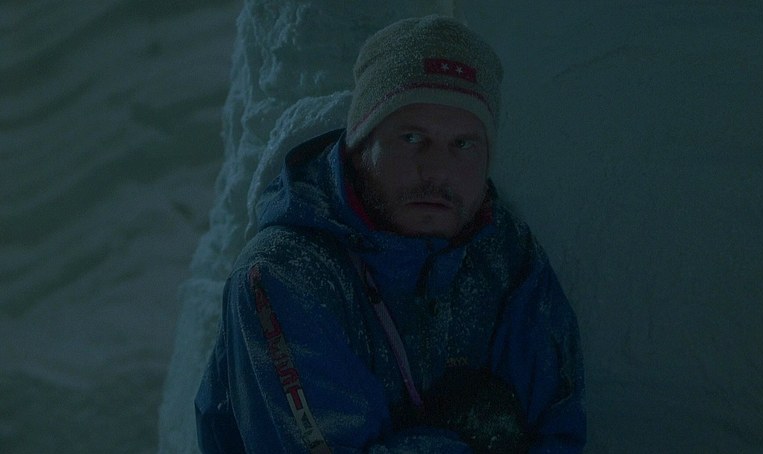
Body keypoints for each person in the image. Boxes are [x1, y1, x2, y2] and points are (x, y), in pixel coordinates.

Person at [195, 15, 586, 453]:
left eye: (463, 144)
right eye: (412, 138)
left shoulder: (505, 256)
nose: (437, 171)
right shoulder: (285, 274)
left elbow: (559, 431)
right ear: (359, 147)